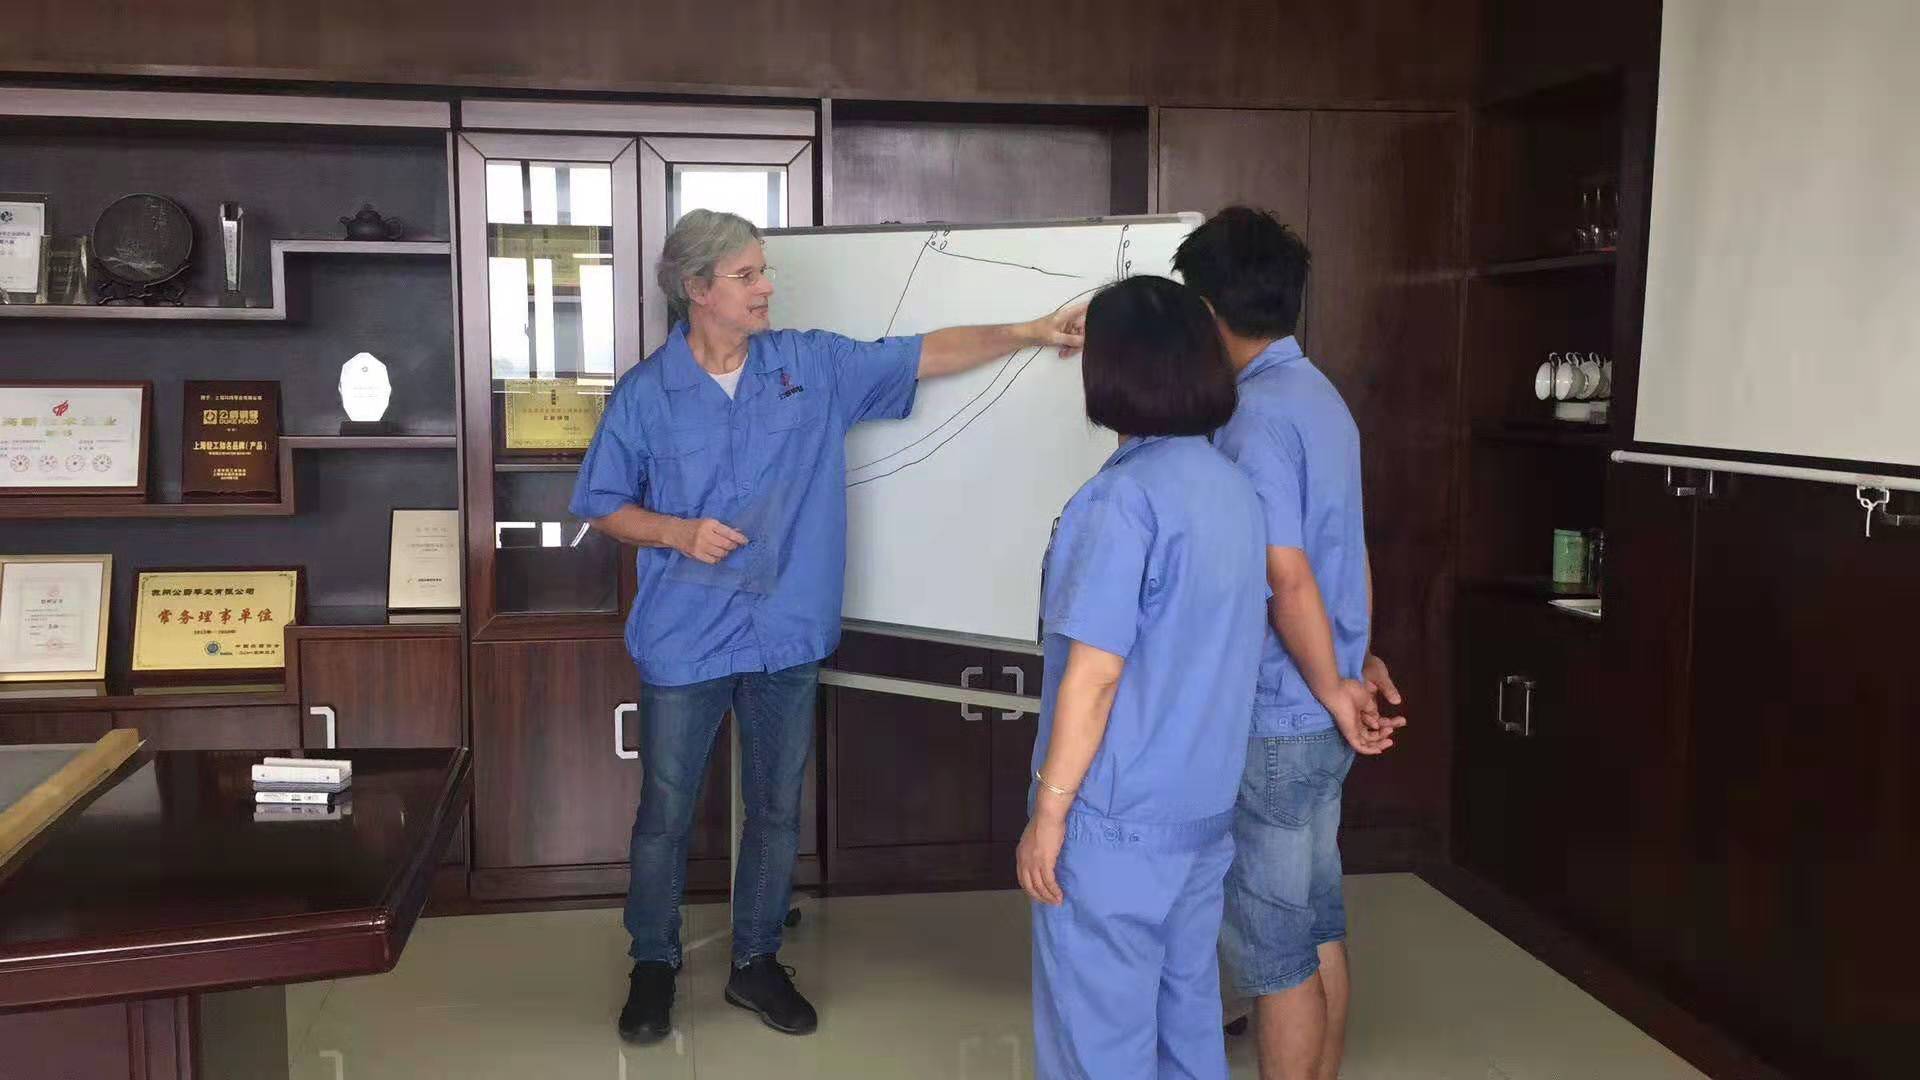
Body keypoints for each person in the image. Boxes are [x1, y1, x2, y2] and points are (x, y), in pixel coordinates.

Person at [571, 209, 1086, 1044]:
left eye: (764, 270)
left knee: (776, 808)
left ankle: (756, 961)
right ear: (696, 289)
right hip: (684, 636)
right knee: (666, 812)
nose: (766, 287)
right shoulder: (647, 394)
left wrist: (1030, 330)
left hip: (785, 631)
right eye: (746, 275)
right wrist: (675, 531)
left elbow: (923, 353)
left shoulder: (808, 365)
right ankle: (653, 963)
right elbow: (602, 504)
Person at [1174, 206, 1406, 1080]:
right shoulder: (1320, 396)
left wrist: (1332, 680)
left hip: (1278, 716)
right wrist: (1349, 665)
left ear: (1207, 311)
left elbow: (1286, 570)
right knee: (1315, 924)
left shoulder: (1254, 414)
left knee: (1275, 957)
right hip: (1321, 710)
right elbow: (1351, 548)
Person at [1018, 275, 1269, 1080]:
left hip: (1113, 816)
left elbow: (1094, 676)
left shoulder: (1119, 502)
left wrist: (1049, 813)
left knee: (1099, 1041)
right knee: (1186, 1023)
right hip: (1201, 809)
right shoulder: (1233, 490)